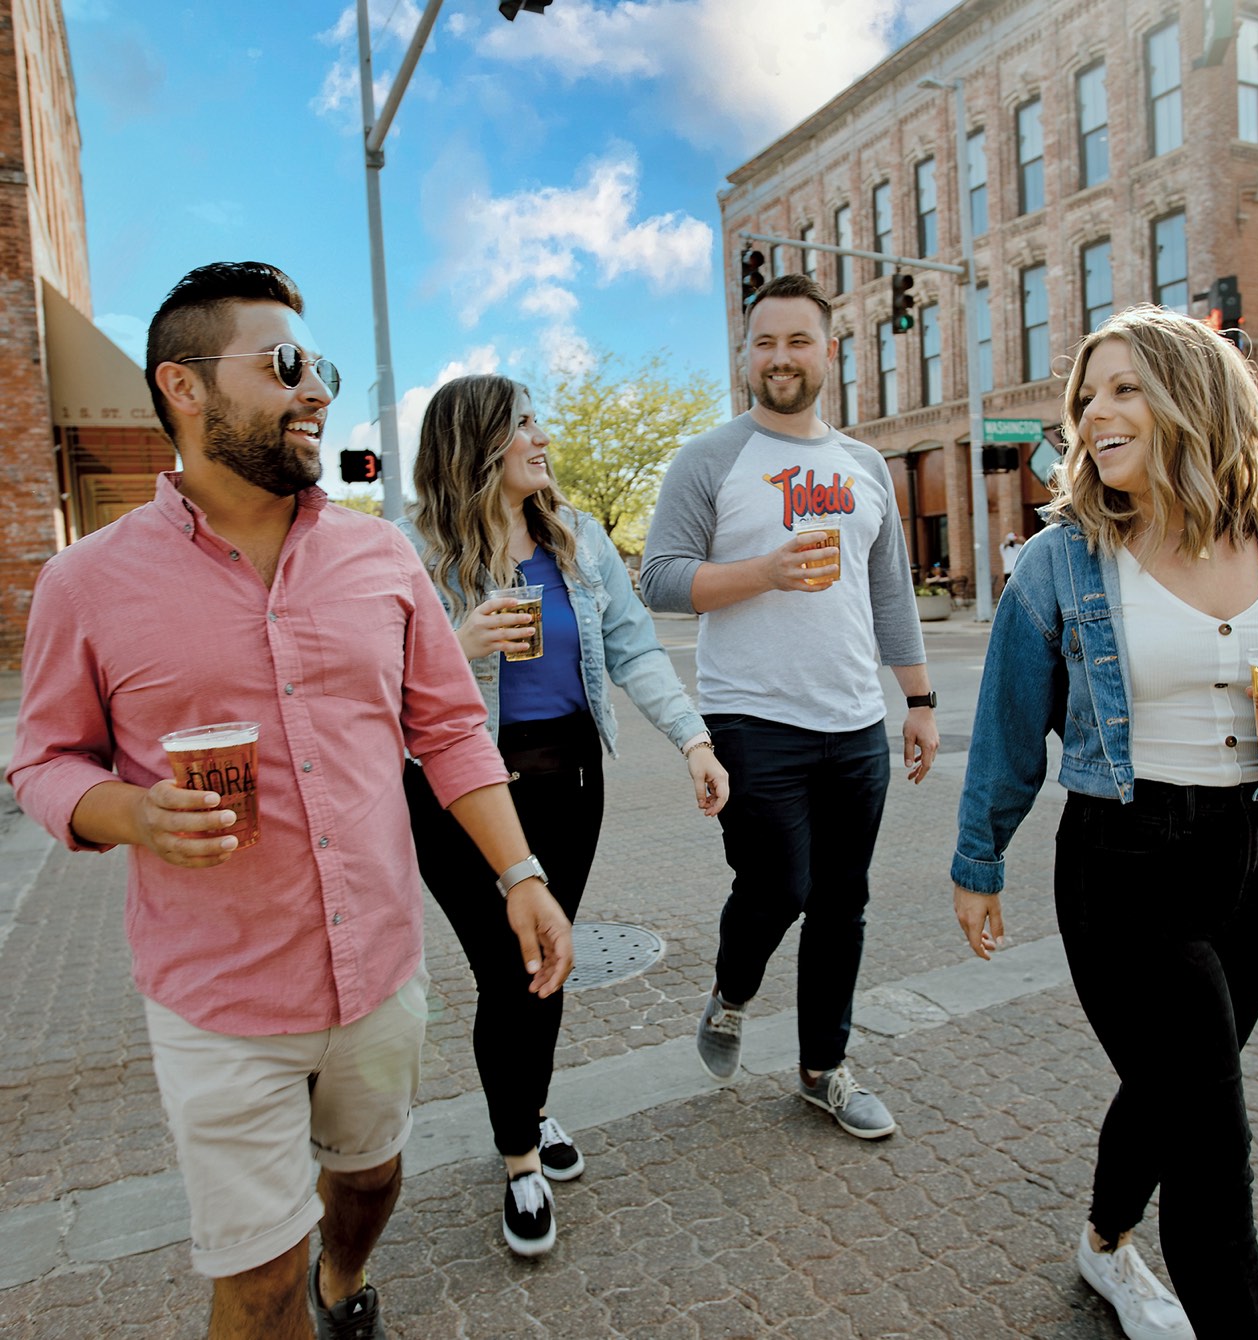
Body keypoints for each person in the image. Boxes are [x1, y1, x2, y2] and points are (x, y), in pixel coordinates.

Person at [6, 263, 573, 1340]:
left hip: (378, 976)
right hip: (218, 999)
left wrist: (522, 872)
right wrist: (129, 812)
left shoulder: (380, 557)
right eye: (282, 365)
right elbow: (41, 760)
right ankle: (300, 1289)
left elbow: (447, 729)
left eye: (319, 366)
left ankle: (345, 1277)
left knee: (368, 1183)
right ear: (183, 386)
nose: (314, 388)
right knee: (256, 1284)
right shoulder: (86, 582)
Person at [950, 305, 1258, 1340]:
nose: (1092, 413)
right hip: (1121, 866)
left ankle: (1105, 1241)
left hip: (1253, 856)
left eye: (1122, 388)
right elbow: (1011, 732)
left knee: (1172, 1092)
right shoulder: (1061, 560)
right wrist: (979, 860)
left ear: (1192, 396)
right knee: (1212, 1142)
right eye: (1086, 395)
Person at [400, 373, 728, 1257]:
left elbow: (632, 648)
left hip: (568, 784)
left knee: (548, 962)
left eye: (540, 422)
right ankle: (520, 1163)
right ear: (477, 446)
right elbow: (370, 690)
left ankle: (531, 1107)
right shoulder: (411, 554)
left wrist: (693, 740)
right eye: (523, 426)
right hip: (458, 797)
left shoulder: (577, 540)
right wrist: (457, 646)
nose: (541, 440)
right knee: (511, 971)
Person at [641, 273, 940, 1141]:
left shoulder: (865, 466)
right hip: (750, 720)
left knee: (843, 900)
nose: (780, 357)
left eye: (797, 340)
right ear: (745, 354)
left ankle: (823, 1068)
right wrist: (763, 573)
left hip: (855, 721)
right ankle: (732, 994)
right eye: (764, 342)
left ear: (828, 350)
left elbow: (890, 594)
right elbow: (660, 579)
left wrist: (917, 699)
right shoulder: (709, 459)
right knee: (778, 885)